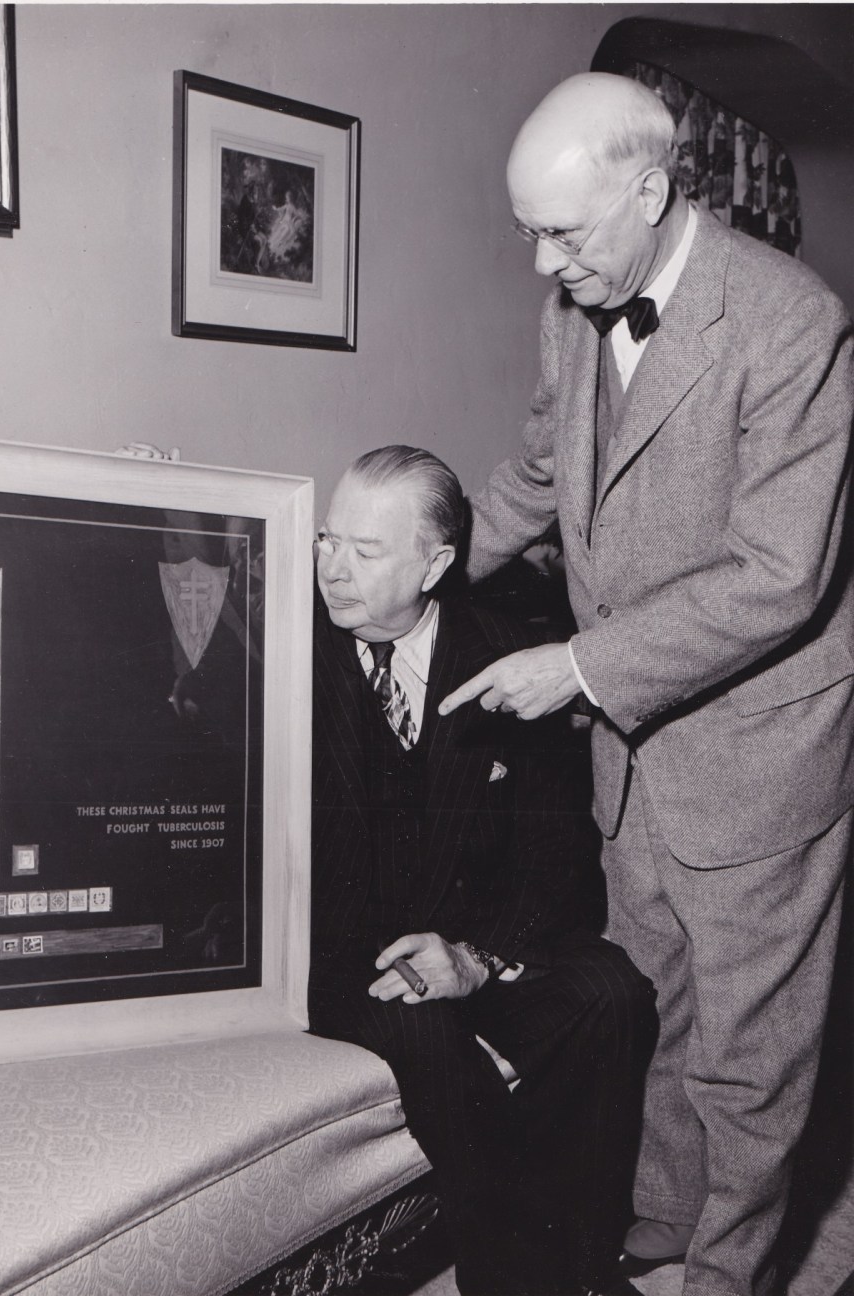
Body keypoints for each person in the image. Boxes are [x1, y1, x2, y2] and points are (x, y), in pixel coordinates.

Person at [440, 72, 854, 1296]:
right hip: (633, 759)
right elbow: (536, 476)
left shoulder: (792, 322)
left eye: (563, 233)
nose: (542, 264)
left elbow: (780, 575)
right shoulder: (575, 307)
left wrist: (577, 666)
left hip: (759, 755)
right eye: (528, 233)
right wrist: (415, 564)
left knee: (749, 1060)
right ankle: (668, 1222)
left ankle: (730, 1275)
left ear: (653, 192)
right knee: (656, 1011)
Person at [309, 445, 657, 1296]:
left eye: (365, 550)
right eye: (327, 541)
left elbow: (557, 848)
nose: (333, 570)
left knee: (612, 992)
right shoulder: (283, 652)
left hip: (470, 935)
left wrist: (476, 956)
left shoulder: (508, 659)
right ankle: (522, 1279)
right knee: (427, 1033)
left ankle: (582, 1258)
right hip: (346, 953)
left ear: (435, 565)